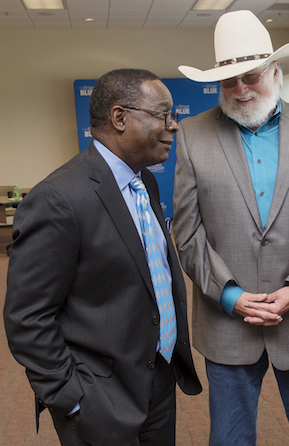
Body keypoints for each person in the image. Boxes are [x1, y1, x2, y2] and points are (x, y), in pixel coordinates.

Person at [174, 10, 289, 446]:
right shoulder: (192, 133)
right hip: (228, 323)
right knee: (230, 439)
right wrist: (230, 296)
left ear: (275, 71)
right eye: (229, 82)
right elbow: (187, 230)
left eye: (250, 76)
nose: (240, 90)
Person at [3, 69, 201, 446]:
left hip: (157, 379)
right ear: (120, 117)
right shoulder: (59, 198)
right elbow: (27, 318)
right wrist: (72, 399)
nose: (173, 126)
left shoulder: (147, 181)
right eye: (163, 114)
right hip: (98, 397)